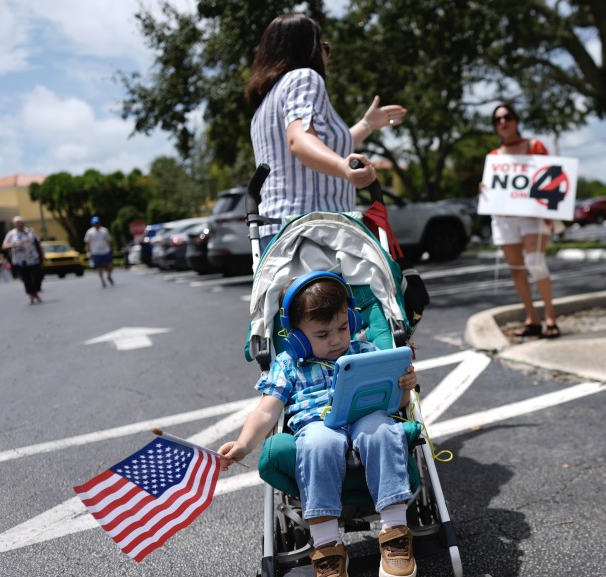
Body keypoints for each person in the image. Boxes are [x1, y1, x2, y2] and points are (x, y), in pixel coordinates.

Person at [218, 272, 419, 577]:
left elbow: (399, 404)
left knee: (380, 429)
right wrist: (243, 444)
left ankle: (395, 534)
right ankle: (327, 546)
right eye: (322, 334)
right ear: (297, 336)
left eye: (342, 328)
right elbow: (265, 412)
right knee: (318, 443)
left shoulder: (364, 353)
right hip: (317, 424)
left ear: (352, 321)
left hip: (365, 415)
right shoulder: (289, 365)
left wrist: (405, 386)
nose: (337, 339)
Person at [245, 13, 408, 249]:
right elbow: (299, 140)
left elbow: (321, 149)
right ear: (309, 48)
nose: (326, 53)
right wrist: (344, 168)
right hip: (317, 233)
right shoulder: (304, 77)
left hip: (274, 236)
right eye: (323, 46)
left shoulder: (265, 105)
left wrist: (367, 124)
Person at [484, 103, 562, 339]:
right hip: (506, 219)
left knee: (536, 261)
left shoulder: (534, 146)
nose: (502, 122)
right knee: (517, 269)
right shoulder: (494, 157)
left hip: (532, 216)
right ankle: (532, 319)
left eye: (507, 117)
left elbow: (551, 177)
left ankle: (550, 316)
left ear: (516, 120)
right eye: (497, 119)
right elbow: (493, 190)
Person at [1, 216, 44, 304]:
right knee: (26, 278)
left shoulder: (30, 231)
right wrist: (13, 244)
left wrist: (42, 255)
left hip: (34, 258)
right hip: (21, 260)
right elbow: (4, 246)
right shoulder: (11, 234)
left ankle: (35, 291)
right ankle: (32, 295)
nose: (20, 224)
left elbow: (38, 243)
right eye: (17, 223)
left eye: (21, 222)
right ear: (14, 225)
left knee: (38, 275)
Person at [84, 216, 114, 287]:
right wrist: (88, 252)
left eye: (97, 223)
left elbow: (109, 240)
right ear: (92, 224)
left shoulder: (104, 230)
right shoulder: (89, 232)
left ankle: (109, 276)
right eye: (95, 223)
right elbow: (87, 243)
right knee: (99, 267)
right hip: (95, 252)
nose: (96, 225)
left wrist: (110, 249)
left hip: (105, 250)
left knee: (110, 265)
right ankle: (102, 280)